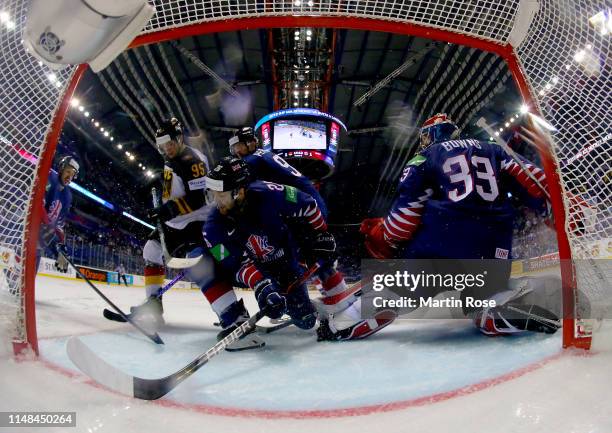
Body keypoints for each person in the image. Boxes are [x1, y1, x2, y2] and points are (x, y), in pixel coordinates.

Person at [361, 113, 560, 336]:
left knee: (408, 283)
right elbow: (536, 180)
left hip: (442, 245)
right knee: (485, 294)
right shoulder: (495, 149)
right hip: (494, 246)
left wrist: (384, 234)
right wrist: (553, 209)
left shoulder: (423, 159)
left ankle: (374, 306)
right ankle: (492, 306)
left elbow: (402, 224)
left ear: (430, 136)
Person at [203, 157, 393, 341]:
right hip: (263, 271)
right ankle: (302, 305)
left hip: (290, 257)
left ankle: (331, 297)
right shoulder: (212, 228)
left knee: (307, 312)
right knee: (296, 315)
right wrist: (262, 287)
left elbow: (309, 204)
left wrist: (320, 235)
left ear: (239, 191)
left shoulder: (269, 192)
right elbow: (237, 265)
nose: (216, 201)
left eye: (221, 194)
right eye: (213, 194)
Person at [130, 117, 217, 324]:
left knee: (201, 267)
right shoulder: (172, 159)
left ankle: (228, 310)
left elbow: (199, 198)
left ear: (179, 139)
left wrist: (167, 210)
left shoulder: (192, 160)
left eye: (169, 144)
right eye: (162, 146)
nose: (166, 149)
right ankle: (154, 305)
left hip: (195, 221)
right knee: (151, 250)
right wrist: (163, 207)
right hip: (177, 220)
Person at [228, 126, 328, 216]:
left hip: (302, 195)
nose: (237, 151)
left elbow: (233, 171)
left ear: (251, 143)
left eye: (239, 146)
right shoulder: (262, 154)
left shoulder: (254, 158)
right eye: (235, 148)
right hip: (303, 192)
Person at [38, 155, 79, 274]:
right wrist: (50, 231)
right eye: (68, 172)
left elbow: (59, 224)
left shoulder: (68, 196)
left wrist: (61, 246)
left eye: (72, 175)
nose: (69, 177)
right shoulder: (50, 177)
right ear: (61, 169)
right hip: (31, 225)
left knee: (30, 270)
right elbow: (39, 205)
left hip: (43, 234)